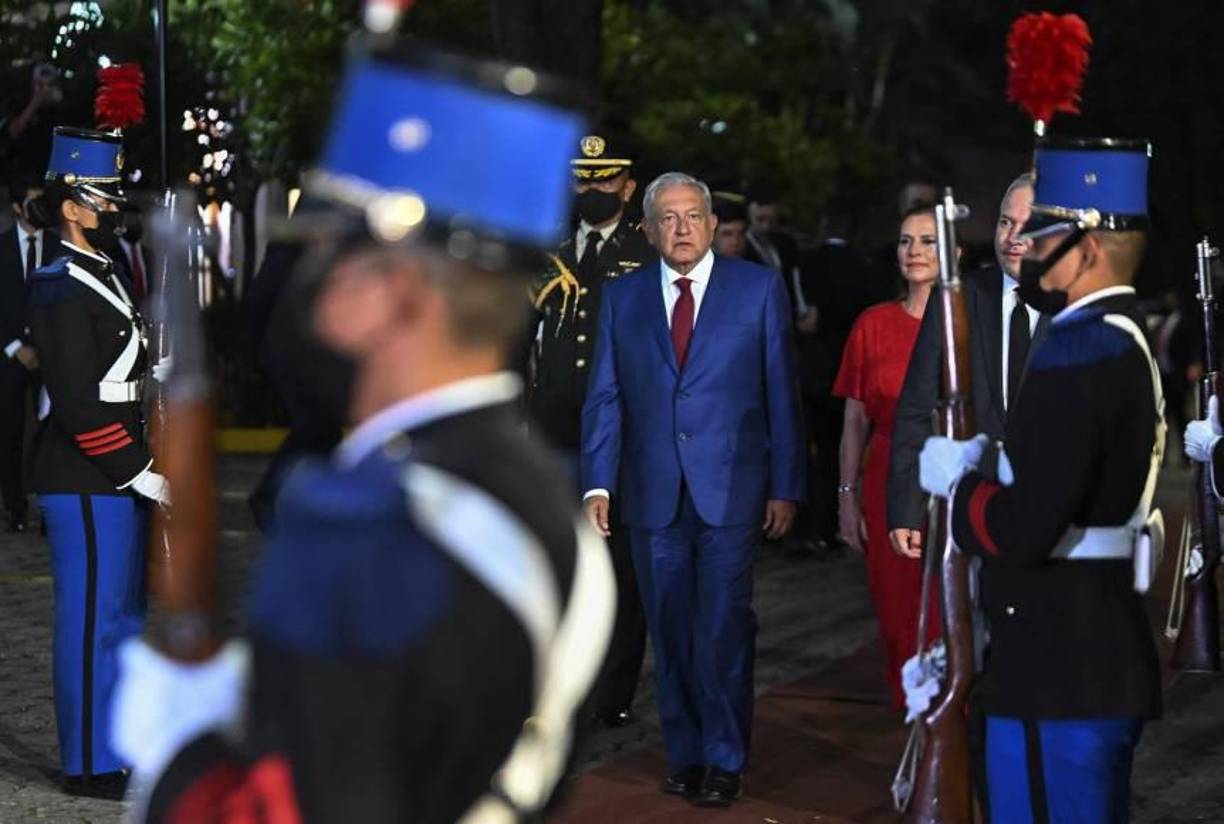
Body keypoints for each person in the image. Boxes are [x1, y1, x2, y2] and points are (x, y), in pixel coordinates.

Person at [111, 42, 615, 823]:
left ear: (400, 291)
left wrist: (182, 754)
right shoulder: (538, 499)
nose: (312, 274)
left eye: (341, 249)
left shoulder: (378, 522)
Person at [919, 138, 1163, 824]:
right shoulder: (1120, 334)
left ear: (1086, 247)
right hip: (1087, 654)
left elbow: (1023, 529)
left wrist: (960, 487)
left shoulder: (1080, 348)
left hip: (1056, 665)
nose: (1023, 245)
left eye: (1042, 232)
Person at [581, 171, 805, 807]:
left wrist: (786, 484)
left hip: (732, 492)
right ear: (649, 231)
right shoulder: (622, 298)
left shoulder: (756, 290)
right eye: (668, 219)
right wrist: (597, 484)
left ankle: (726, 757)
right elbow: (605, 396)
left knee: (724, 626)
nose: (682, 229)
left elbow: (780, 393)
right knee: (669, 629)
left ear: (711, 225)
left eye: (693, 217)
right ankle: (686, 754)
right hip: (650, 494)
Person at [26, 127, 169, 799]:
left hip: (116, 471)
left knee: (122, 619)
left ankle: (115, 749)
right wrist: (141, 471)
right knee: (90, 621)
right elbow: (80, 401)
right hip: (87, 474)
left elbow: (117, 369)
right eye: (99, 198)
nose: (111, 208)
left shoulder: (103, 268)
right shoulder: (57, 282)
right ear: (69, 207)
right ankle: (85, 764)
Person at [526, 133, 653, 728]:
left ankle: (613, 691)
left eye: (605, 182)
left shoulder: (644, 250)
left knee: (618, 565)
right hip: (552, 426)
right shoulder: (550, 248)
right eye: (583, 180)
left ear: (627, 188)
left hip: (622, 431)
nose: (592, 191)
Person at [888, 174, 1044, 561]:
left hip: (1055, 513)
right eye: (1006, 222)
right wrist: (907, 508)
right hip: (974, 510)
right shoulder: (956, 297)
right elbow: (917, 407)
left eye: (1027, 226)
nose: (1012, 238)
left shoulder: (1077, 305)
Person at [832, 204, 942, 708]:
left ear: (953, 252)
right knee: (898, 611)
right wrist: (847, 497)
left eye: (927, 240)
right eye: (905, 241)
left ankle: (954, 717)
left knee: (949, 607)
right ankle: (913, 716)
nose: (914, 251)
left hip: (953, 480)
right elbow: (854, 421)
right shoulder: (873, 325)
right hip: (884, 481)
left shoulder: (972, 324)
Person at [0, 172, 58, 532]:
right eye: (34, 202)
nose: (40, 209)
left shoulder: (56, 247)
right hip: (9, 356)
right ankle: (15, 505)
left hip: (50, 355)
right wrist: (16, 347)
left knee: (51, 432)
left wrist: (45, 347)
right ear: (17, 207)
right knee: (8, 431)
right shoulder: (2, 248)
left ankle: (49, 508)